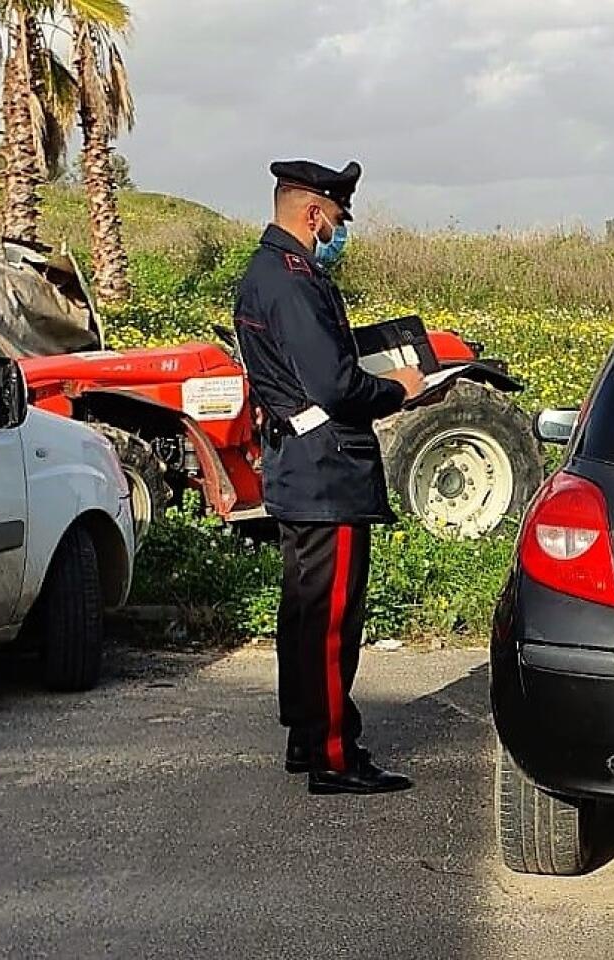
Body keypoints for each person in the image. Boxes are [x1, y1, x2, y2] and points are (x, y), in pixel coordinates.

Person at [234, 159, 424, 796]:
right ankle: (336, 755)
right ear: (312, 212)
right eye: (338, 218)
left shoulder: (272, 272)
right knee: (331, 621)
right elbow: (335, 384)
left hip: (302, 470)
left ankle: (306, 736)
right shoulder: (292, 281)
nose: (339, 230)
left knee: (305, 616)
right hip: (326, 474)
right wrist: (399, 388)